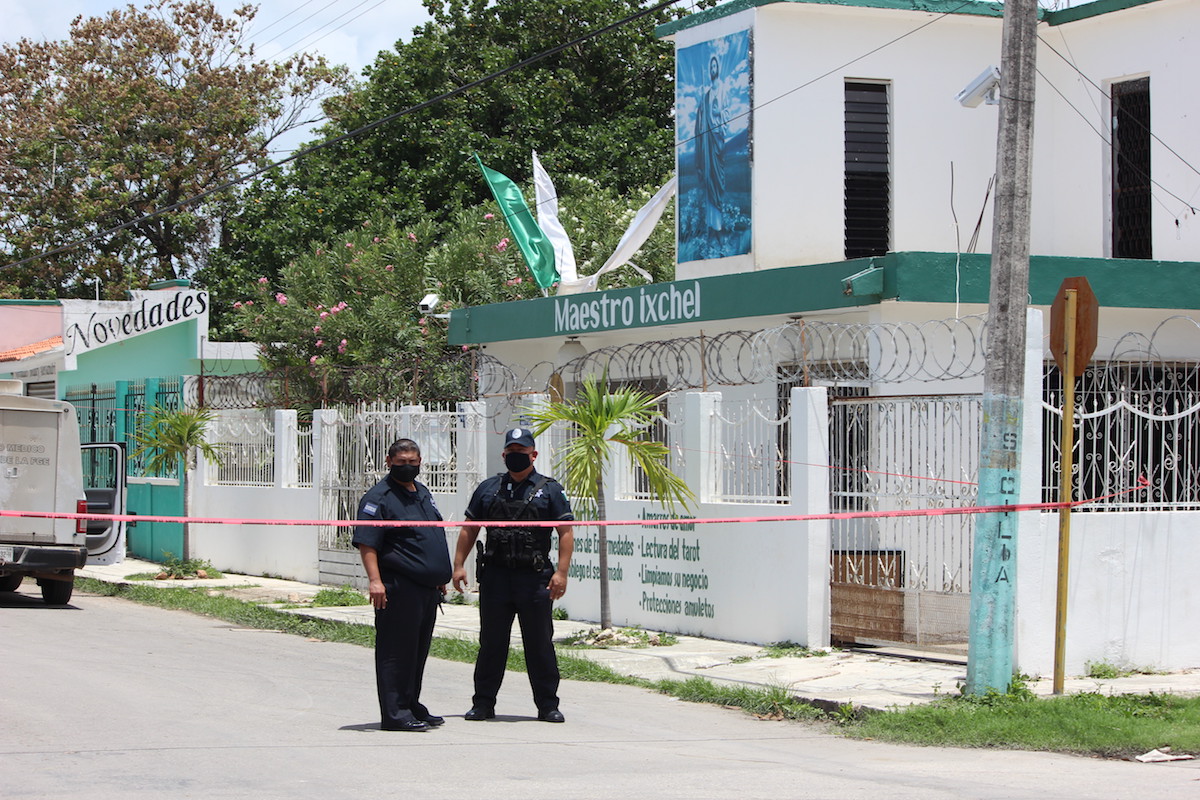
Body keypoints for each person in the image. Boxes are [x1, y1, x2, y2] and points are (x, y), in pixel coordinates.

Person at [452, 427, 575, 723]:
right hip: (496, 577)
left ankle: (547, 705)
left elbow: (566, 532)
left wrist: (561, 572)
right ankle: (483, 703)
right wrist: (458, 565)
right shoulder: (488, 488)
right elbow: (470, 528)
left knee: (539, 644)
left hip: (534, 578)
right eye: (511, 452)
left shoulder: (550, 490)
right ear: (504, 454)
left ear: (534, 455)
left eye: (522, 452)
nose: (516, 456)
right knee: (491, 643)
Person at [353, 438, 452, 732]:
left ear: (420, 462)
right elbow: (367, 543)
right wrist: (375, 581)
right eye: (401, 463)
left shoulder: (422, 492)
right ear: (388, 462)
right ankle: (395, 713)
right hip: (398, 586)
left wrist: (438, 578)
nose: (407, 467)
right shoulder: (379, 498)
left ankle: (411, 703)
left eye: (412, 462)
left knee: (417, 651)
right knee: (396, 651)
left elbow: (429, 535)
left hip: (426, 588)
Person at [694, 52, 728, 250]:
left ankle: (720, 227)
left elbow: (725, 114)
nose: (713, 70)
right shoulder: (706, 95)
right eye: (711, 67)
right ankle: (711, 228)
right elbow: (700, 121)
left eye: (715, 66)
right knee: (708, 184)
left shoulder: (722, 89)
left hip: (716, 142)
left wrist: (717, 115)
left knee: (718, 184)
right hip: (706, 145)